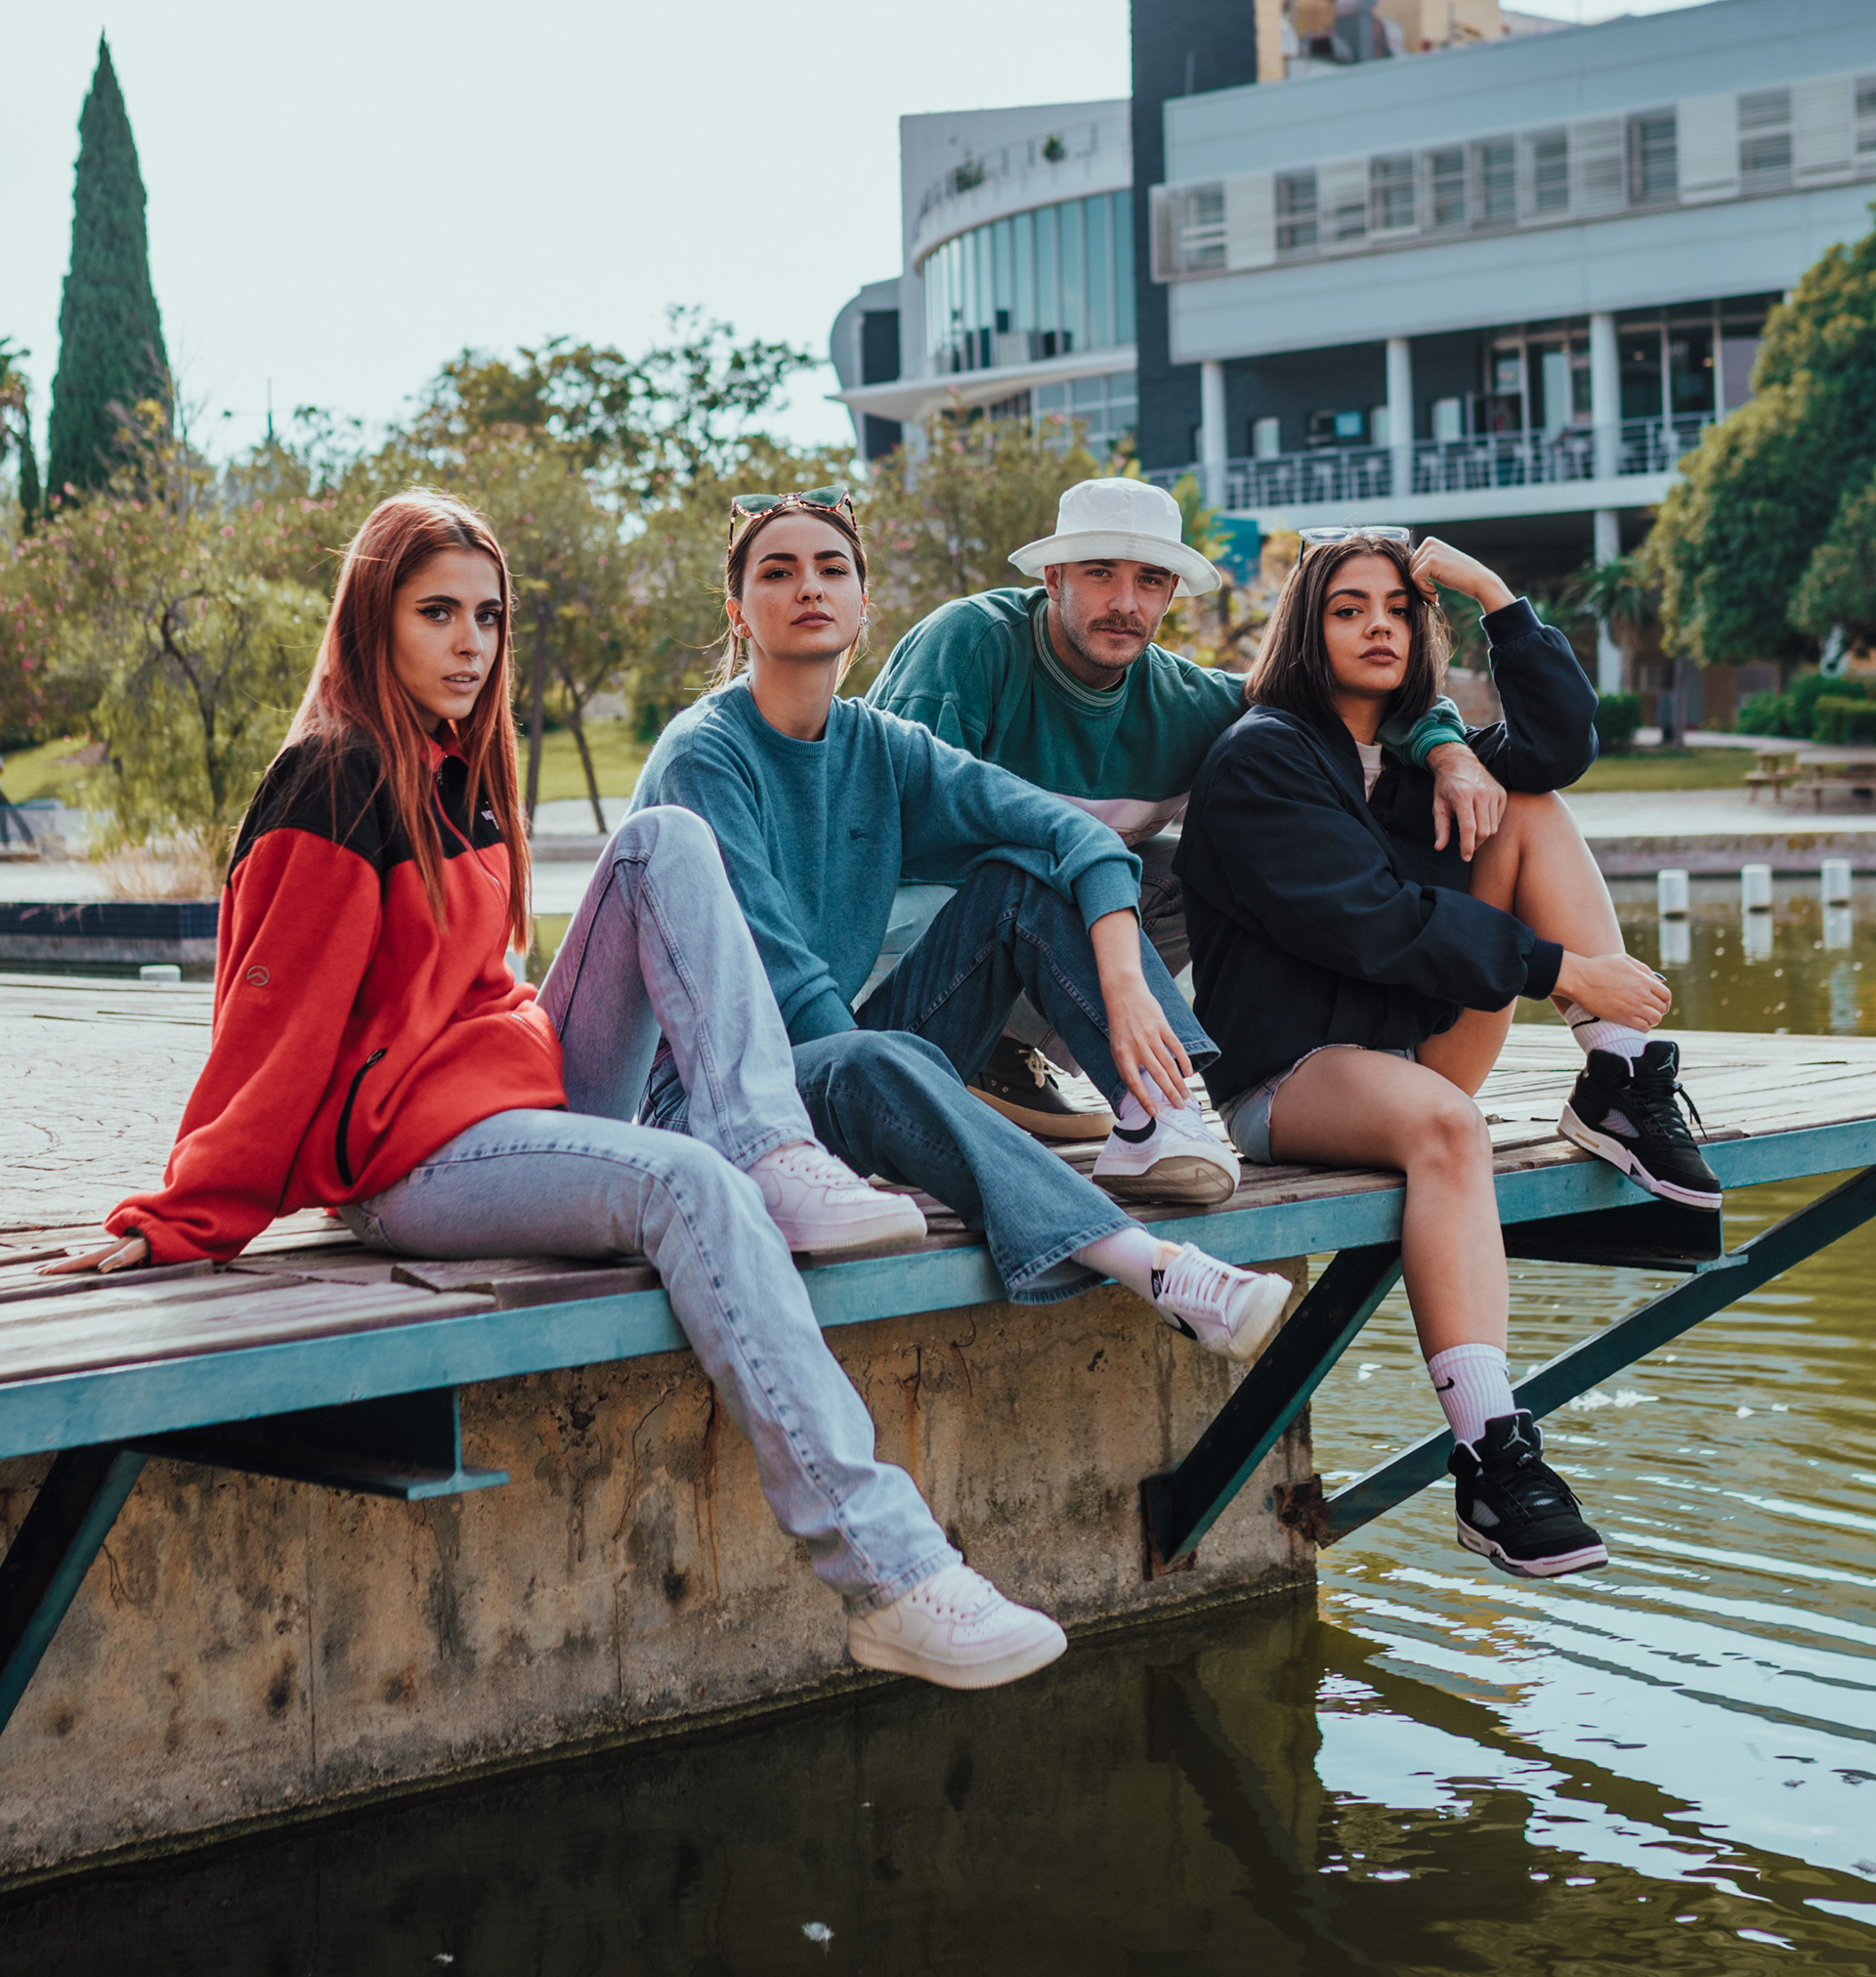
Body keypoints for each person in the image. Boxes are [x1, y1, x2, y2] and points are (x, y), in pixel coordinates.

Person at [41, 491, 1070, 1694]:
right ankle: (891, 1573)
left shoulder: (461, 768)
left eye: (487, 616)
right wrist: (186, 1215)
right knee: (689, 1187)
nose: (470, 643)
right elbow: (270, 1030)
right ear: (373, 621)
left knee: (666, 839)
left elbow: (483, 987)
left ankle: (774, 1147)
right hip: (410, 1160)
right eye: (436, 614)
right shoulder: (333, 782)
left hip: (515, 1099)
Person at [630, 486, 1293, 1363]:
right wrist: (911, 1084)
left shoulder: (878, 743)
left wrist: (1126, 984)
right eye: (778, 572)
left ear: (863, 604)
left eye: (832, 569)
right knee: (873, 1059)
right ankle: (1157, 1268)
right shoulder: (704, 753)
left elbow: (1069, 837)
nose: (809, 587)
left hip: (842, 1075)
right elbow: (782, 985)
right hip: (712, 1106)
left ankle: (1156, 1110)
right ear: (738, 611)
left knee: (1021, 877)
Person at [1174, 531, 1721, 1581]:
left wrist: (1493, 596)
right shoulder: (1261, 758)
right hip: (1291, 1075)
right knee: (1446, 1124)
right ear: (1307, 630)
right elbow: (1370, 921)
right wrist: (1562, 969)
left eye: (1397, 608)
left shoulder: (1419, 749)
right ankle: (1491, 1456)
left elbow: (1557, 747)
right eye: (1348, 609)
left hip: (1410, 1046)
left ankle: (1616, 1079)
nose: (1378, 626)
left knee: (1531, 805)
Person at [868, 477, 1497, 1140]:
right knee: (1034, 883)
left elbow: (1335, 689)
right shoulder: (968, 645)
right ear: (1054, 577)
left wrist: (1448, 751)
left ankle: (1007, 1052)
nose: (1125, 603)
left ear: (1171, 593)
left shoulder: (1188, 704)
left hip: (1043, 939)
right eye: (1100, 573)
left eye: (1149, 580)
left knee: (1197, 870)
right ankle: (1151, 1111)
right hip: (892, 947)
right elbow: (874, 837)